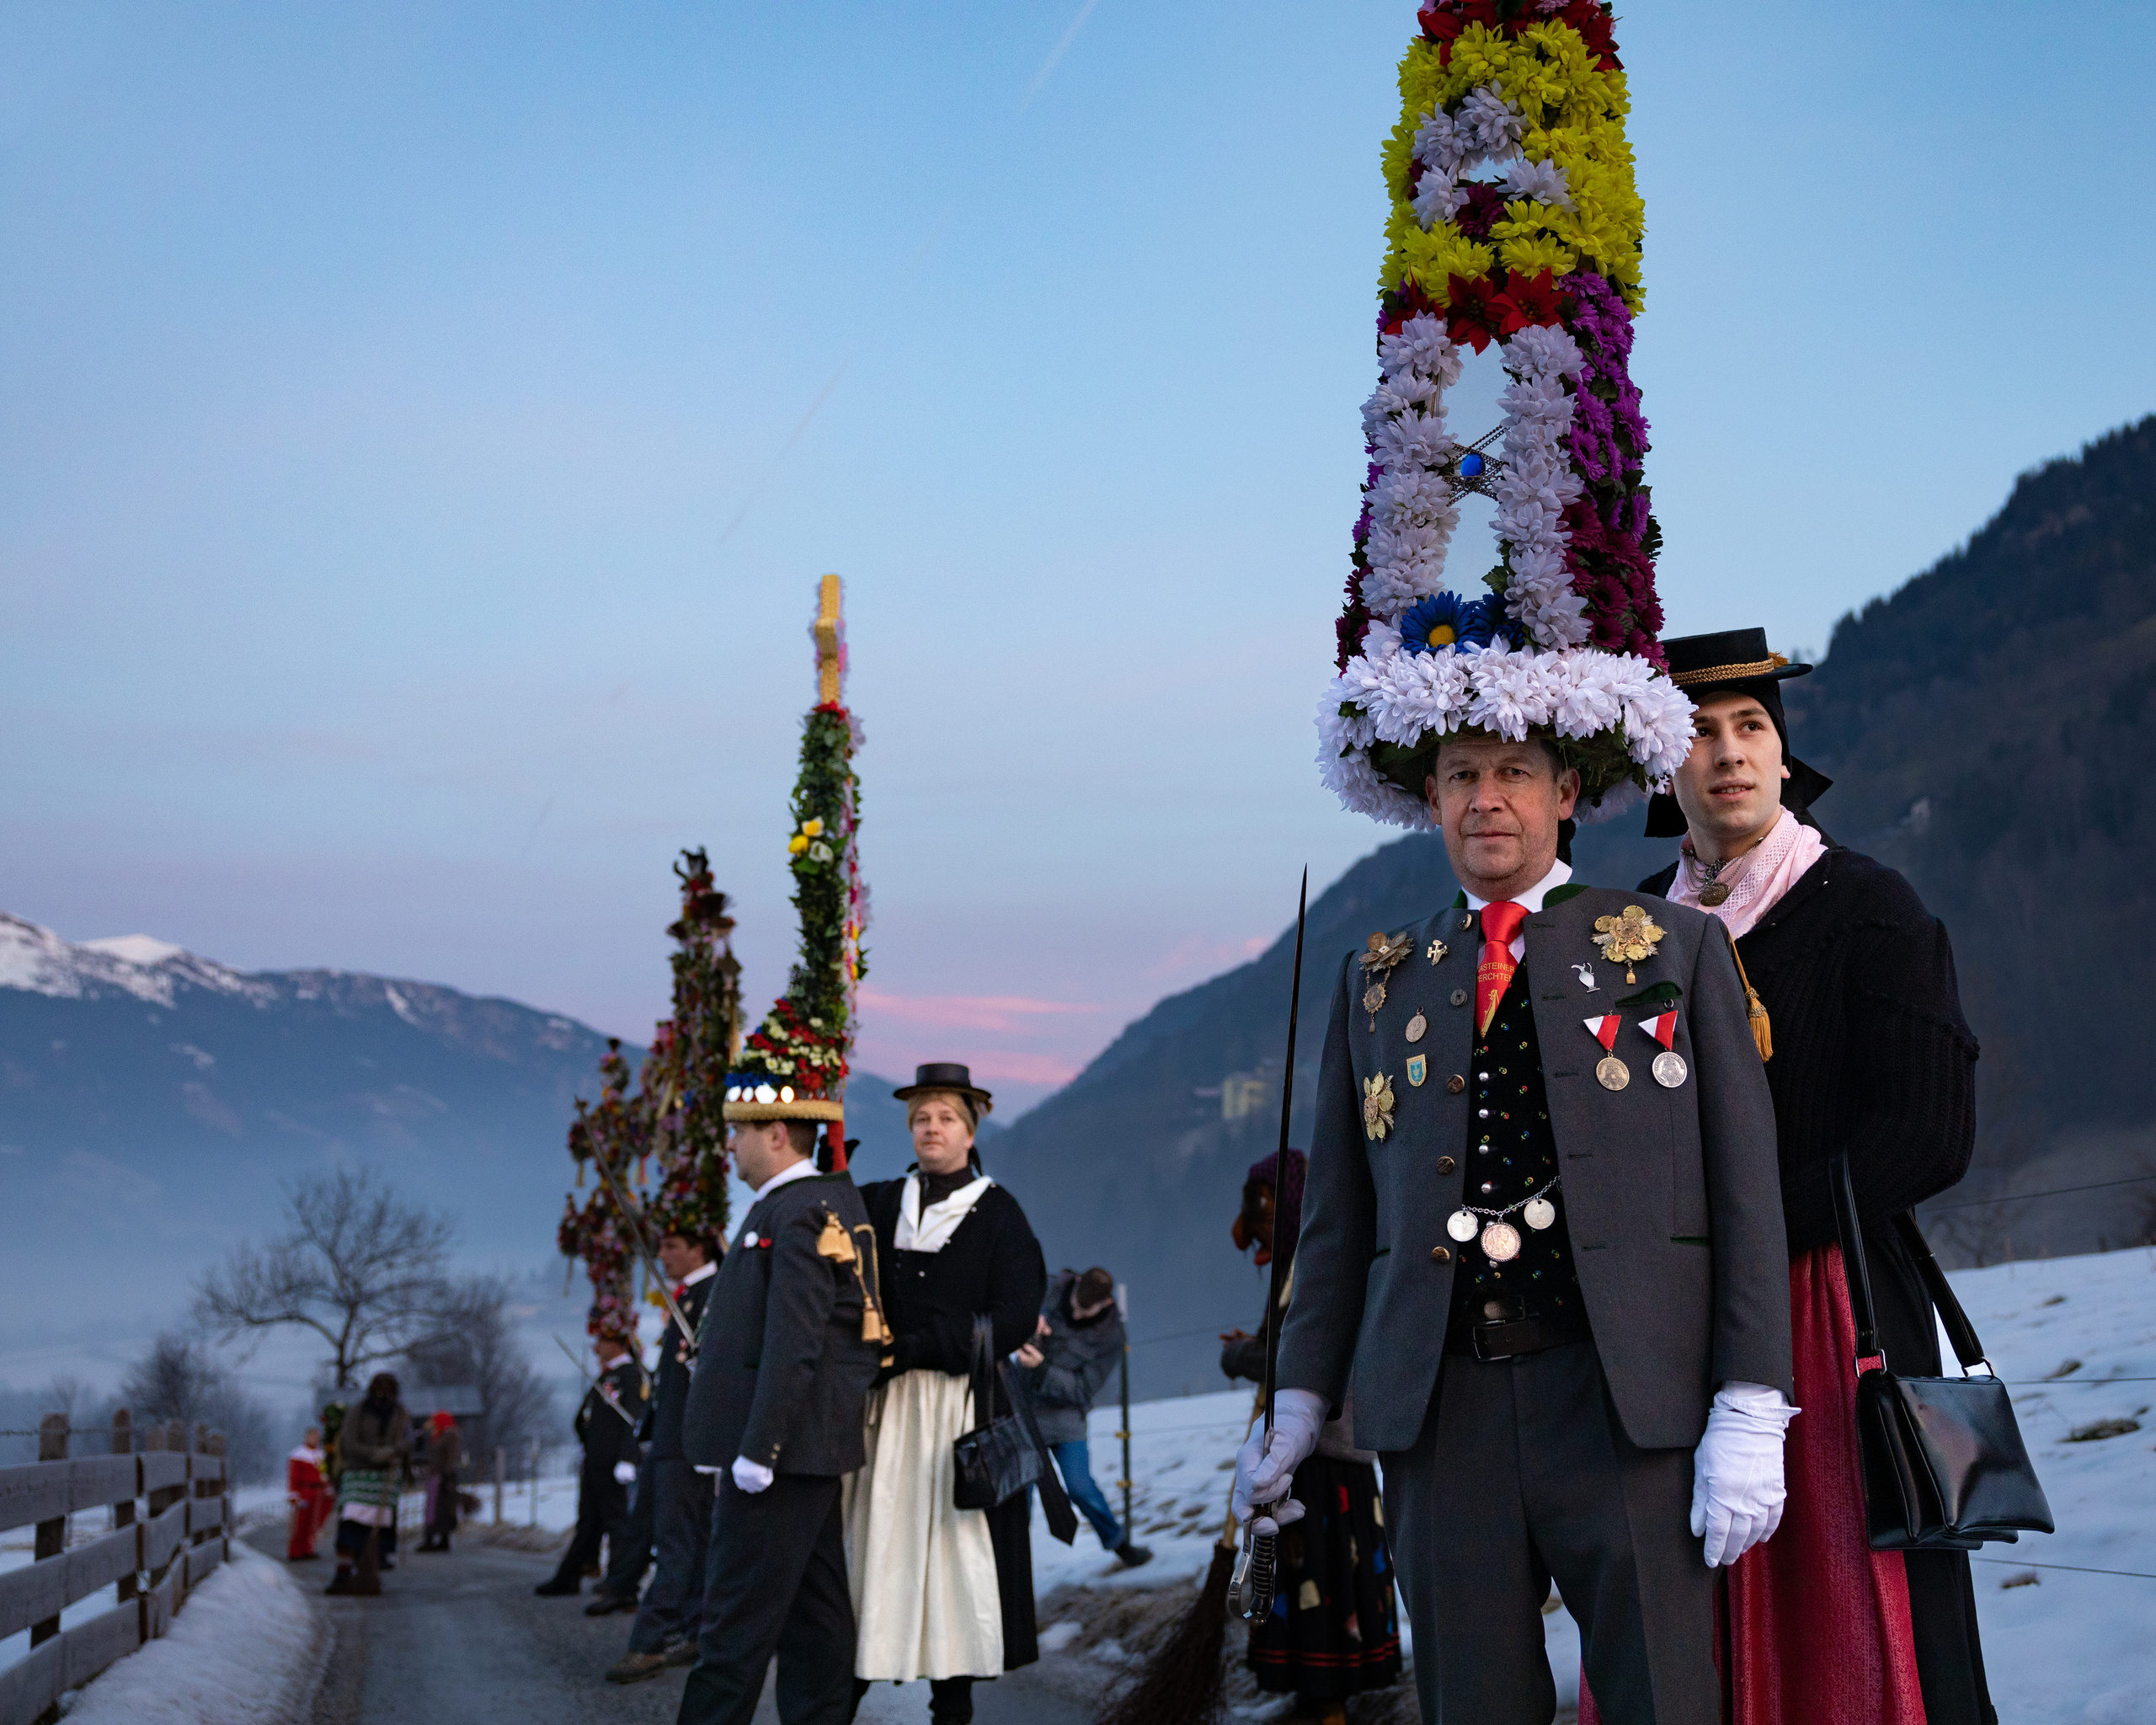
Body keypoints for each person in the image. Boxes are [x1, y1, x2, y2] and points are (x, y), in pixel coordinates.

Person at [1248, 728, 1795, 1725]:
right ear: (1433, 802)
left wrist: (1753, 1395)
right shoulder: (1376, 978)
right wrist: (1297, 1393)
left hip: (1625, 1399)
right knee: (1472, 1703)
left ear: (1567, 792)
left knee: (1663, 1702)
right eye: (1461, 777)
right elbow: (1337, 1220)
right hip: (1439, 1411)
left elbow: (1745, 1190)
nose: (1485, 799)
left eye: (1512, 775)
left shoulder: (1673, 945)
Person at [1627, 627, 1993, 1725]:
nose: (1729, 752)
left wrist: (1746, 1232)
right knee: (1699, 1609)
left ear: (1786, 760)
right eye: (1699, 731)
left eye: (1752, 728)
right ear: (1663, 767)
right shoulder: (1632, 934)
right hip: (1675, 1324)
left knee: (1861, 1614)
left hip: (1842, 1304)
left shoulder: (1868, 906)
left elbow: (1932, 1133)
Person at [850, 1064, 1048, 1725]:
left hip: (955, 1413)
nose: (932, 1129)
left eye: (946, 1118)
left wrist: (926, 1346)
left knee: (950, 1553)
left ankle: (951, 1706)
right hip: (884, 1411)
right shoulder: (878, 1204)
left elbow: (1016, 1314)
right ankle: (843, 1689)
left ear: (970, 1131)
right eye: (921, 1119)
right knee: (872, 1544)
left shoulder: (998, 1214)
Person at [675, 1108, 883, 1725]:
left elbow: (796, 1342)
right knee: (816, 1624)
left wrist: (759, 1449)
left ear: (775, 1135)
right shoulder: (802, 1203)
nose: (730, 1144)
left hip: (780, 1455)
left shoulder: (796, 1210)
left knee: (733, 1630)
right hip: (804, 1452)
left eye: (739, 1132)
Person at [1221, 1149, 1401, 1724]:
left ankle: (1330, 1694)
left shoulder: (1318, 1266)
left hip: (1328, 1453)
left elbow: (1306, 1354)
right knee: (1302, 1571)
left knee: (1323, 1569)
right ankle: (1313, 1689)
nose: (1259, 1219)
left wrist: (1243, 1355)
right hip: (1307, 1452)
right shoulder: (1296, 1265)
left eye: (1268, 1205)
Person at [606, 1226, 724, 1682]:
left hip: (691, 1442)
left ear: (699, 1249)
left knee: (677, 1543)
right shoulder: (688, 1296)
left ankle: (649, 1642)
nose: (663, 1254)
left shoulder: (714, 1292)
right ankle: (694, 1629)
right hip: (671, 1439)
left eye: (672, 1246)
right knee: (688, 1541)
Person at [1020, 1266, 1150, 1568]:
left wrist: (1041, 1368)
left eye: (1085, 1311)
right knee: (1019, 1494)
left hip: (1066, 1418)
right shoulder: (1047, 1289)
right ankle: (1016, 1567)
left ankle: (1120, 1545)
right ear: (1076, 1284)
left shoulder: (1112, 1337)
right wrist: (1027, 1324)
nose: (1076, 1315)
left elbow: (1083, 1389)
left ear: (1105, 1304)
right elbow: (1008, 1313)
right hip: (1023, 1413)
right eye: (1076, 1306)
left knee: (1081, 1488)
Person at [536, 1328, 650, 1597]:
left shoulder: (631, 1375)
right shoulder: (606, 1375)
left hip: (613, 1463)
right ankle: (572, 1574)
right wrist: (589, 1442)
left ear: (620, 1343)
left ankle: (620, 1580)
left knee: (617, 1522)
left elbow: (635, 1419)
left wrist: (627, 1458)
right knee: (589, 1520)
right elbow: (585, 1418)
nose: (596, 1346)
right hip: (595, 1460)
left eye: (603, 1340)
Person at [325, 1374, 410, 1596]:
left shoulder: (400, 1414)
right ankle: (343, 1574)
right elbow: (349, 1442)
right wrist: (374, 1454)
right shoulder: (358, 1411)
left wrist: (396, 1451)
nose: (383, 1393)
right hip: (359, 1474)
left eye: (388, 1389)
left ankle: (369, 1574)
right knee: (352, 1523)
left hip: (384, 1479)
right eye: (379, 1388)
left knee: (377, 1530)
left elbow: (407, 1441)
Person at [418, 1411, 462, 1552]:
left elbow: (451, 1456)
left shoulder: (450, 1435)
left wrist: (447, 1476)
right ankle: (436, 1538)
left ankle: (439, 1539)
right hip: (436, 1476)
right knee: (435, 1508)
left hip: (443, 1476)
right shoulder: (438, 1434)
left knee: (442, 1508)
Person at [286, 1426, 330, 1561]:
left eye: (317, 1437)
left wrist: (327, 1486)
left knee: (314, 1523)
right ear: (307, 1437)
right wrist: (294, 1494)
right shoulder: (298, 1454)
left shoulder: (320, 1455)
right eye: (313, 1436)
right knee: (300, 1522)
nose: (315, 1439)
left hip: (318, 1492)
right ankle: (295, 1551)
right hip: (304, 1492)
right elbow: (293, 1476)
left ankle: (308, 1548)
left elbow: (324, 1473)